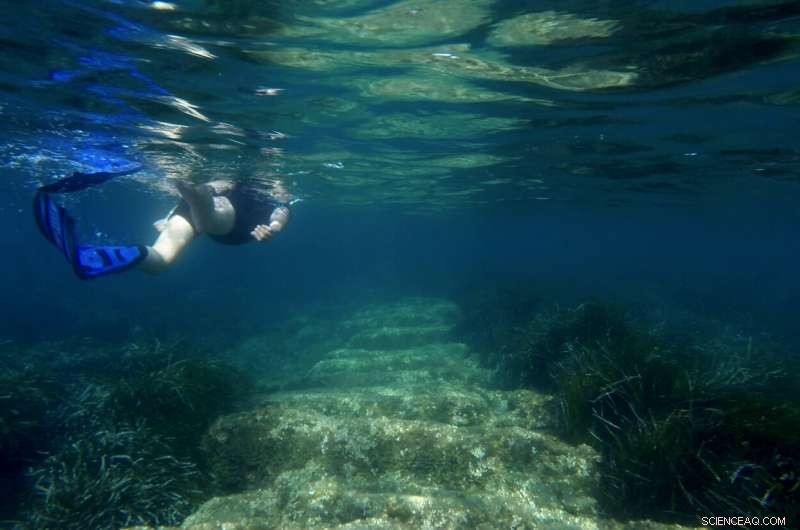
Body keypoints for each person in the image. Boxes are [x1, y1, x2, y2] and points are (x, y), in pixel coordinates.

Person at [33, 175, 293, 280]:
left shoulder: (251, 183)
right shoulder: (276, 196)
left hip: (200, 204)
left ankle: (200, 195)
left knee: (162, 258)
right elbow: (281, 214)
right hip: (238, 222)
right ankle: (200, 197)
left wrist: (169, 215)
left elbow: (279, 215)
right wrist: (274, 230)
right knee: (209, 221)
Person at [140, 179, 292, 273]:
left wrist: (168, 218)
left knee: (213, 204)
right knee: (158, 263)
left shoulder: (229, 181)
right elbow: (282, 211)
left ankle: (201, 198)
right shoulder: (274, 184)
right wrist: (274, 228)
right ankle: (139, 255)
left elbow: (280, 213)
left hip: (232, 217)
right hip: (234, 222)